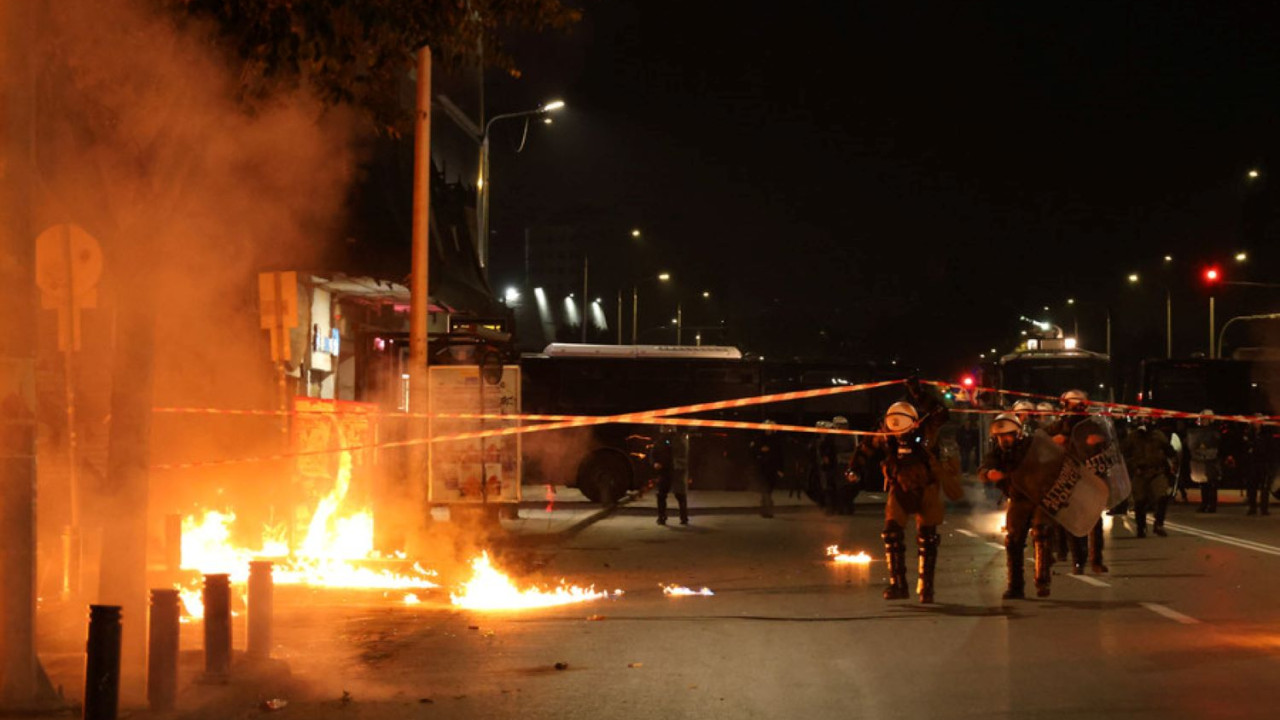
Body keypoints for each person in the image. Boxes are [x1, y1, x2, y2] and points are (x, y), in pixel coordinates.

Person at [850, 401, 955, 603]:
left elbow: (942, 414)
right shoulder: (885, 433)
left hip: (927, 487)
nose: (899, 433)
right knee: (891, 533)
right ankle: (898, 585)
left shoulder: (927, 429)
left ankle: (926, 587)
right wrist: (854, 468)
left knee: (928, 538)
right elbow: (865, 448)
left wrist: (922, 396)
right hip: (899, 486)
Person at [978, 413, 1055, 598]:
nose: (1003, 440)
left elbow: (1051, 460)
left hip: (1039, 498)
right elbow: (984, 469)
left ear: (1017, 433)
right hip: (1018, 498)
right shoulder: (997, 453)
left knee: (1041, 532)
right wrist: (989, 474)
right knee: (1013, 541)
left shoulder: (1032, 446)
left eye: (1007, 435)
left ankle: (1042, 582)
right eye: (999, 437)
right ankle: (1015, 586)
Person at [1045, 389, 1107, 573]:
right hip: (1069, 477)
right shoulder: (1059, 425)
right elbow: (1039, 440)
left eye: (1078, 404)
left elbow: (1108, 441)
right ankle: (1078, 560)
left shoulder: (1093, 425)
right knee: (1073, 520)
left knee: (1095, 521)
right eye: (1072, 404)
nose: (1075, 408)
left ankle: (1096, 560)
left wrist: (1099, 439)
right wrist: (1053, 441)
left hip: (1091, 475)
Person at [1121, 408, 1176, 538]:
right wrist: (1134, 465)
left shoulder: (1159, 435)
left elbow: (1169, 451)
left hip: (1157, 472)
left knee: (1162, 497)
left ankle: (1159, 524)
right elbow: (1123, 454)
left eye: (1148, 418)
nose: (1146, 421)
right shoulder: (1132, 437)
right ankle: (1141, 527)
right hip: (1140, 473)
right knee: (1140, 501)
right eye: (1144, 418)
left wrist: (1171, 458)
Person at [652, 425, 688, 526]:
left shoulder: (678, 440)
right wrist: (655, 462)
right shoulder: (660, 441)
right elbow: (653, 454)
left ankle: (683, 517)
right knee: (661, 495)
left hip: (676, 471)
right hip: (665, 471)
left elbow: (683, 454)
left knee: (680, 495)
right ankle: (662, 517)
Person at [1189, 410, 1221, 513]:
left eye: (1205, 419)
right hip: (1201, 460)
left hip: (1212, 460)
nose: (1203, 421)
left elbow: (1216, 444)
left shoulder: (1214, 431)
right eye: (1202, 419)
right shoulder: (1199, 431)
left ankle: (1212, 505)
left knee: (1212, 484)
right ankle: (1204, 504)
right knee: (1203, 483)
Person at [751, 420, 784, 519]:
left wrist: (780, 469)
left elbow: (780, 455)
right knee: (765, 490)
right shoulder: (759, 439)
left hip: (772, 469)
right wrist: (760, 450)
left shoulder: (776, 440)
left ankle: (766, 509)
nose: (768, 430)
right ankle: (766, 510)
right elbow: (753, 451)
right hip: (762, 468)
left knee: (768, 490)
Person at [1246, 415, 1273, 516]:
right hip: (1252, 463)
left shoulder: (1266, 434)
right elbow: (1245, 446)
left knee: (1264, 487)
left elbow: (1270, 448)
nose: (1256, 423)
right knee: (1252, 486)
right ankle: (1252, 508)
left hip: (1263, 463)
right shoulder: (1250, 434)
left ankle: (1264, 508)